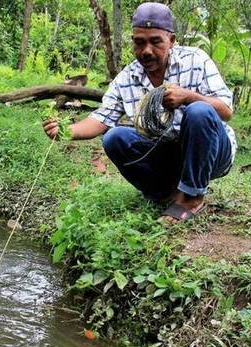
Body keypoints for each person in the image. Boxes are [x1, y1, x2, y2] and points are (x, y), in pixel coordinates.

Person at [43, 2, 236, 222]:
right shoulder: (127, 77)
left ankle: (192, 197)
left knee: (199, 111)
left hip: (211, 152)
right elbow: (101, 118)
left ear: (172, 40)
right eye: (139, 42)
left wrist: (188, 96)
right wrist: (66, 130)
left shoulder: (196, 60)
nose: (146, 51)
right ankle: (166, 195)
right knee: (115, 137)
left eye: (156, 42)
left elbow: (226, 110)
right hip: (167, 156)